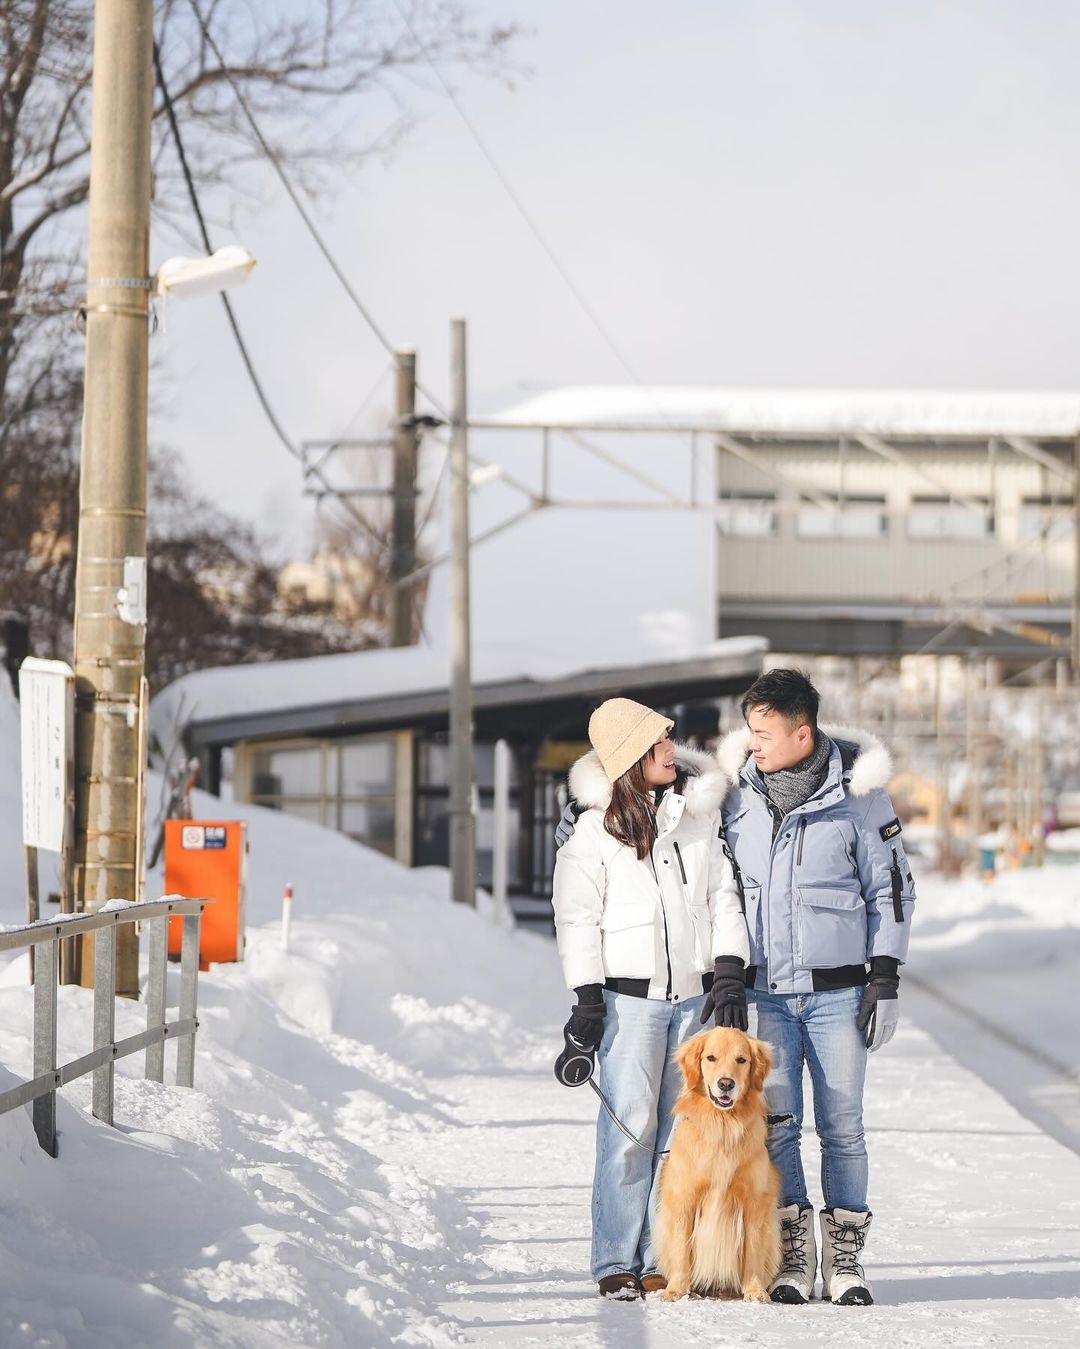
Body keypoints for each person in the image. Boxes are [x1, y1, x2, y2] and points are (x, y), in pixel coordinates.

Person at [715, 668, 914, 1306]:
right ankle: (794, 1254)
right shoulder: (734, 797)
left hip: (836, 995)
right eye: (749, 732)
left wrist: (884, 976)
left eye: (765, 733)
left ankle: (846, 1258)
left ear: (804, 732)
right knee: (777, 1124)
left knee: (843, 1126)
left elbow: (892, 891)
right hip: (765, 994)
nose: (754, 745)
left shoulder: (861, 799)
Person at [551, 697, 749, 1302]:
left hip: (692, 1002)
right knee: (629, 1132)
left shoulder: (696, 819)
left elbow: (722, 895)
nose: (673, 751)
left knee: (680, 1136)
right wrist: (587, 998)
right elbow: (576, 917)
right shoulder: (593, 831)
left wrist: (729, 969)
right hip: (628, 1004)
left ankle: (664, 1256)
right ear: (632, 757)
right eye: (660, 744)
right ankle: (615, 1259)